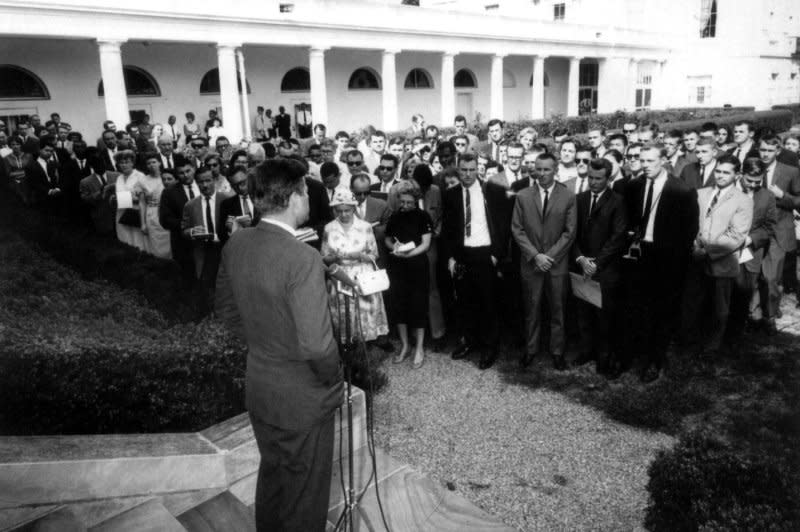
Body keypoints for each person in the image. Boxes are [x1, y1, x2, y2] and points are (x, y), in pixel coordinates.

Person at [215, 158, 342, 532]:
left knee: (274, 479)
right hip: (303, 398)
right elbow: (319, 348)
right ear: (294, 196)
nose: (310, 198)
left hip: (261, 387)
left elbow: (226, 313)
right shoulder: (303, 258)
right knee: (306, 496)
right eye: (306, 190)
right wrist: (333, 380)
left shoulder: (236, 243)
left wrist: (266, 344)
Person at [622, 145, 699, 382]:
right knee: (636, 307)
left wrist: (675, 262)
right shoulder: (634, 186)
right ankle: (634, 355)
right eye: (641, 160)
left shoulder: (682, 190)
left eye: (650, 161)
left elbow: (689, 232)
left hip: (667, 259)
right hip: (639, 255)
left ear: (664, 160)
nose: (644, 165)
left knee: (662, 311)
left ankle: (656, 359)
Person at [442, 153, 510, 370]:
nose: (468, 174)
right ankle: (469, 341)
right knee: (465, 301)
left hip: (485, 252)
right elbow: (449, 229)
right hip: (463, 253)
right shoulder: (451, 194)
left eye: (472, 169)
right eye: (464, 170)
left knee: (488, 303)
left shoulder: (494, 191)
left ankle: (490, 347)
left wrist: (495, 254)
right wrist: (451, 257)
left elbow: (503, 226)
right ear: (458, 169)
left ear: (478, 169)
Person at [680, 154, 753, 357]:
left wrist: (707, 252)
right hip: (695, 257)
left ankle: (712, 346)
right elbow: (689, 222)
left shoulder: (743, 200)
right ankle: (689, 342)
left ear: (737, 175)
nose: (720, 176)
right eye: (718, 171)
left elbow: (736, 235)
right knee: (692, 302)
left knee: (719, 307)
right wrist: (693, 245)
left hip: (721, 261)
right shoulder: (701, 194)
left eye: (726, 172)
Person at [512, 152, 577, 371]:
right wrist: (535, 255)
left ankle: (557, 351)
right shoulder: (522, 196)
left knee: (558, 309)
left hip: (556, 264)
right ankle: (531, 350)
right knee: (531, 308)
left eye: (546, 169)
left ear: (555, 169)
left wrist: (549, 257)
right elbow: (517, 230)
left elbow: (570, 232)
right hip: (531, 263)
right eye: (538, 169)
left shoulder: (568, 196)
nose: (541, 173)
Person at [571, 158, 627, 376]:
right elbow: (571, 232)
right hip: (582, 264)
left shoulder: (617, 201)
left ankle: (604, 357)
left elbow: (618, 236)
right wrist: (580, 259)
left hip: (605, 268)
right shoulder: (579, 199)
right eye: (590, 178)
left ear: (608, 178)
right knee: (583, 313)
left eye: (598, 178)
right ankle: (587, 351)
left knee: (604, 317)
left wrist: (597, 263)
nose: (593, 182)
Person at [322, 188, 389, 345]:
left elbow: (374, 255)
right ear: (334, 210)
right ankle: (348, 345)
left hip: (362, 274)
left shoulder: (365, 226)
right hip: (340, 275)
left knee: (365, 309)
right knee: (345, 312)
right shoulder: (329, 228)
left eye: (347, 210)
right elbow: (324, 257)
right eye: (339, 211)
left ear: (353, 208)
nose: (344, 214)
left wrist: (359, 255)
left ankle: (369, 342)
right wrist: (335, 257)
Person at [385, 180, 433, 368]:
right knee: (399, 305)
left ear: (416, 201)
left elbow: (425, 244)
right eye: (402, 202)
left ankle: (419, 347)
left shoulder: (423, 217)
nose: (405, 206)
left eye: (409, 202)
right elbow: (388, 239)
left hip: (417, 266)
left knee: (418, 305)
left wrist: (408, 254)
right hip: (397, 267)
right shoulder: (395, 216)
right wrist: (395, 248)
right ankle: (405, 345)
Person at [729, 158, 777, 339]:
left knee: (745, 290)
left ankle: (737, 332)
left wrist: (750, 239)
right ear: (741, 175)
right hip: (726, 248)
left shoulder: (767, 196)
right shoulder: (729, 191)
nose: (753, 185)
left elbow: (769, 226)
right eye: (749, 180)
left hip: (750, 252)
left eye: (758, 182)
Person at [758, 135, 800, 333]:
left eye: (769, 150)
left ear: (778, 151)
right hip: (756, 229)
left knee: (771, 277)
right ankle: (753, 313)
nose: (765, 154)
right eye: (762, 150)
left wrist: (783, 195)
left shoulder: (790, 172)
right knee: (753, 275)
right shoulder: (752, 168)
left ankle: (770, 316)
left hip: (778, 230)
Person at [160, 159, 201, 286]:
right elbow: (165, 220)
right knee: (188, 278)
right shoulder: (169, 192)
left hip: (207, 242)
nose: (186, 175)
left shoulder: (204, 184)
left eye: (188, 171)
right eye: (181, 173)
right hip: (183, 243)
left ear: (194, 169)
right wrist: (187, 226)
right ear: (177, 174)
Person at [136, 152, 172, 259]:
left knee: (170, 240)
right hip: (152, 213)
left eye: (154, 162)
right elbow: (142, 203)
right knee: (155, 245)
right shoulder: (143, 180)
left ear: (159, 163)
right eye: (148, 163)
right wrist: (143, 224)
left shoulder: (167, 177)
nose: (152, 165)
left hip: (166, 212)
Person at [112, 149, 148, 251]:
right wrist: (116, 198)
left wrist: (124, 198)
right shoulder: (119, 178)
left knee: (138, 241)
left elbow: (144, 197)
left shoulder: (140, 176)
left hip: (136, 213)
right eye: (121, 163)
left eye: (127, 162)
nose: (124, 165)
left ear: (132, 163)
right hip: (121, 214)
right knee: (125, 240)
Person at [79, 156, 116, 236]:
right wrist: (99, 193)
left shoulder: (116, 175)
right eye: (96, 165)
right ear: (92, 167)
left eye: (102, 164)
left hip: (117, 215)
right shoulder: (85, 182)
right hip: (101, 217)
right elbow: (85, 199)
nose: (100, 166)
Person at [220, 167, 256, 243]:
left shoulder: (262, 198)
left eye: (243, 183)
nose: (241, 188)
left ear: (248, 178)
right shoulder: (226, 205)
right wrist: (232, 228)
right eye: (235, 186)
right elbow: (222, 234)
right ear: (231, 186)